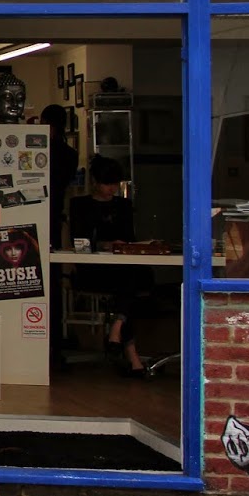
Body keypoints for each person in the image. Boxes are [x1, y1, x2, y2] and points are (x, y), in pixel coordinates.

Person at [69, 154, 150, 378]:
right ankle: (129, 350)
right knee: (130, 285)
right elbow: (78, 239)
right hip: (94, 269)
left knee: (132, 279)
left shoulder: (123, 205)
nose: (111, 189)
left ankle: (117, 329)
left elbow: (130, 237)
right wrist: (104, 244)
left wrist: (123, 245)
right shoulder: (80, 205)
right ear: (95, 182)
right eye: (107, 184)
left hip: (121, 268)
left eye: (115, 184)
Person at [41, 104, 80, 369]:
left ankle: (48, 344)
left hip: (43, 217)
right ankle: (54, 344)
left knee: (46, 281)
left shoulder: (45, 150)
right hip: (53, 219)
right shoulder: (69, 154)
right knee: (52, 281)